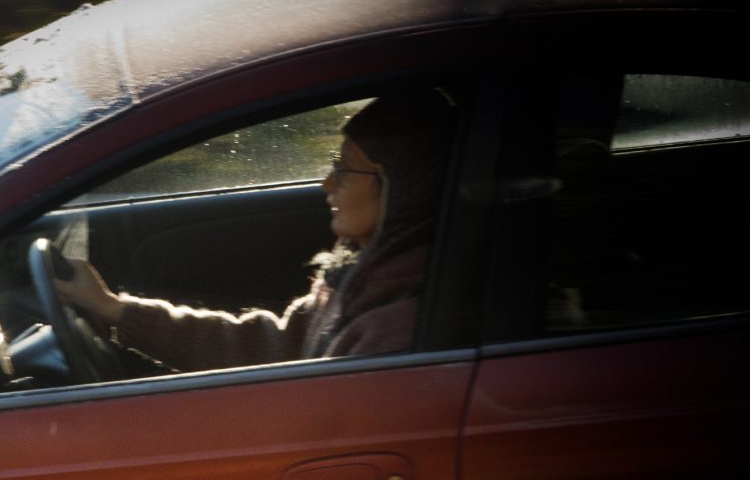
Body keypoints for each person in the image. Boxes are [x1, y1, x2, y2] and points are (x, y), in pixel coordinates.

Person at [56, 88, 457, 372]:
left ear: (399, 191)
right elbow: (274, 346)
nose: (327, 184)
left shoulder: (395, 328)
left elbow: (306, 423)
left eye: (344, 169)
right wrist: (114, 307)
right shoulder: (354, 274)